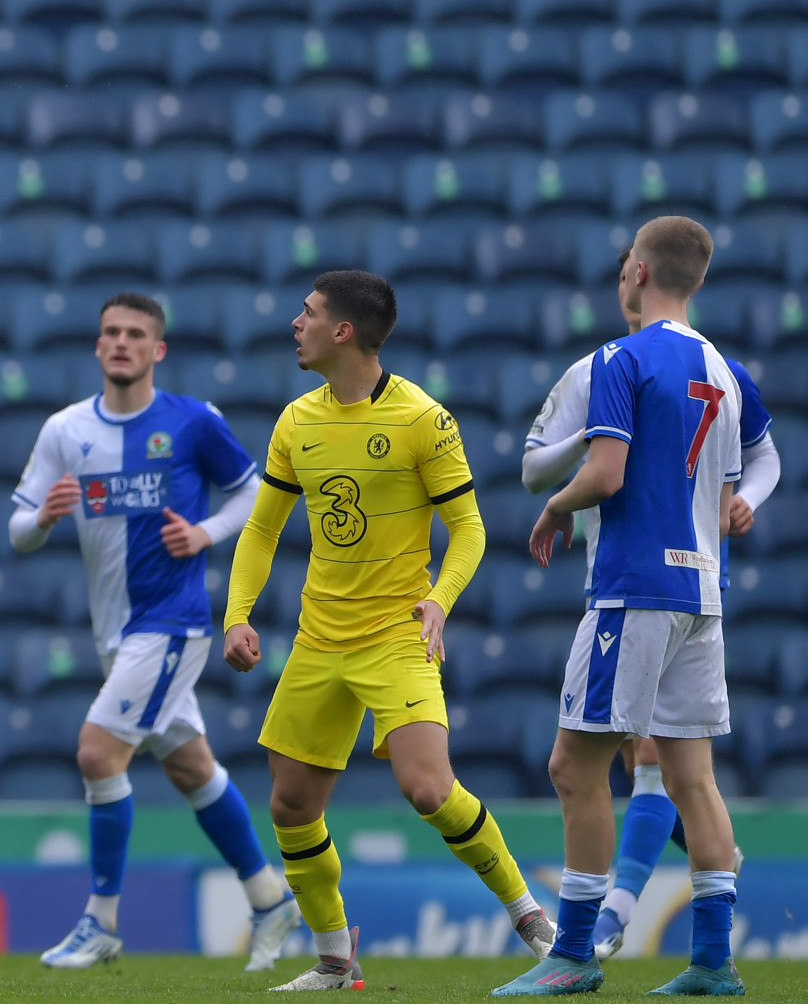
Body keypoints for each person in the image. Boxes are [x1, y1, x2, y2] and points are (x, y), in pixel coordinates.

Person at [225, 269, 555, 994]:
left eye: (308, 313)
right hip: (318, 639)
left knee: (429, 789)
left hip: (396, 633)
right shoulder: (294, 421)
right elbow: (261, 529)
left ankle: (530, 916)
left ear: (344, 332)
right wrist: (238, 614)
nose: (295, 322)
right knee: (289, 804)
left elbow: (469, 529)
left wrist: (438, 600)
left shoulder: (422, 418)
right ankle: (336, 961)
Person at [9, 292, 300, 972]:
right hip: (115, 633)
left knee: (95, 755)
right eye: (110, 332)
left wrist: (204, 533)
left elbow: (254, 493)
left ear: (157, 350)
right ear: (97, 345)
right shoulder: (65, 430)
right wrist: (44, 520)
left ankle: (101, 920)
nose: (121, 343)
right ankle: (269, 896)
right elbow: (17, 527)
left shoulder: (193, 423)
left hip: (172, 625)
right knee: (192, 767)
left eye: (135, 334)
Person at [495, 216, 745, 997]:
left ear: (636, 271)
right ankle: (712, 963)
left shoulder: (620, 357)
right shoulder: (724, 372)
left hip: (633, 590)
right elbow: (730, 491)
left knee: (574, 765)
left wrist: (554, 507)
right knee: (692, 780)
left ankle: (571, 953)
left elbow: (605, 472)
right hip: (700, 592)